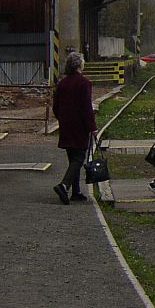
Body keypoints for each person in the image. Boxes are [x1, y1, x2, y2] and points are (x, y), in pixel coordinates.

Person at [52, 52, 98, 205]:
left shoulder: (63, 83)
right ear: (80, 65)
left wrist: (63, 118)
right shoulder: (84, 83)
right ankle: (64, 186)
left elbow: (56, 106)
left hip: (66, 125)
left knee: (72, 158)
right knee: (78, 158)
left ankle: (76, 192)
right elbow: (86, 108)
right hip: (80, 126)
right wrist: (92, 127)